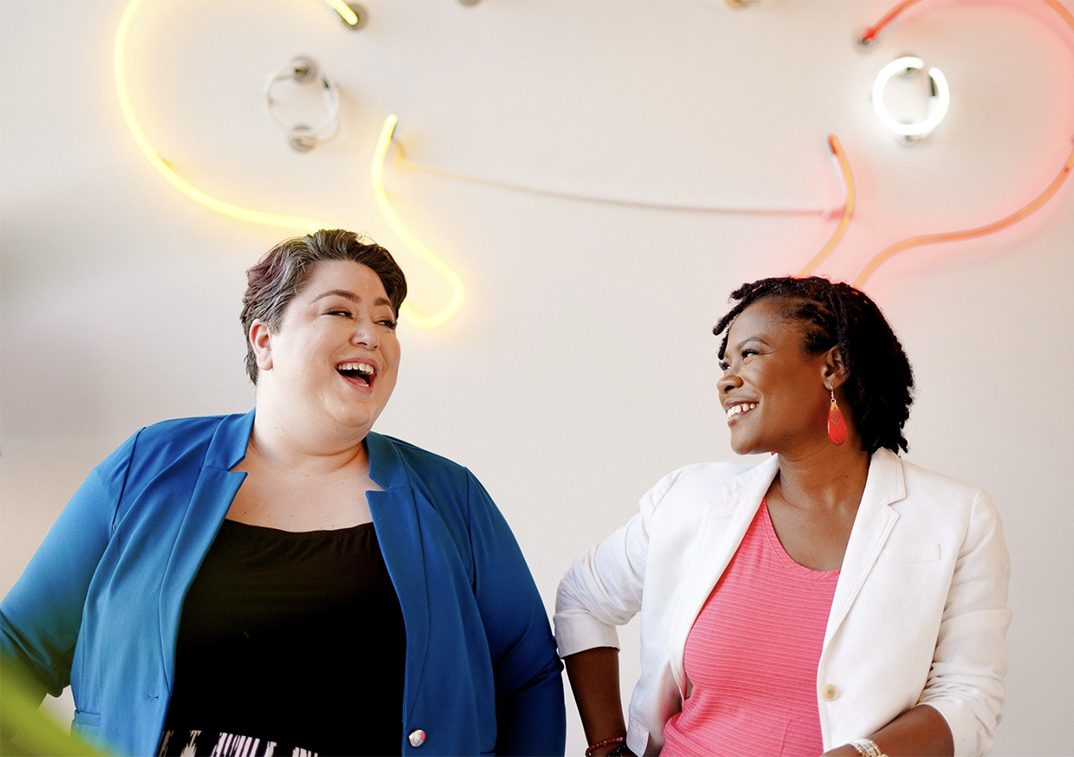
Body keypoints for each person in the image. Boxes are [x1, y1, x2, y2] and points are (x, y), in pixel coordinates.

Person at [0, 229, 565, 757]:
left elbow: (527, 674)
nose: (372, 334)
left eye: (387, 322)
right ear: (264, 339)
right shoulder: (147, 465)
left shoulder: (451, 498)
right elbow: (18, 651)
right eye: (341, 310)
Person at [555, 277, 1009, 757]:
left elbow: (969, 698)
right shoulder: (687, 500)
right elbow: (583, 599)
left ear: (834, 366)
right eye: (724, 364)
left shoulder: (956, 516)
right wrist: (606, 746)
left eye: (750, 354)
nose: (726, 379)